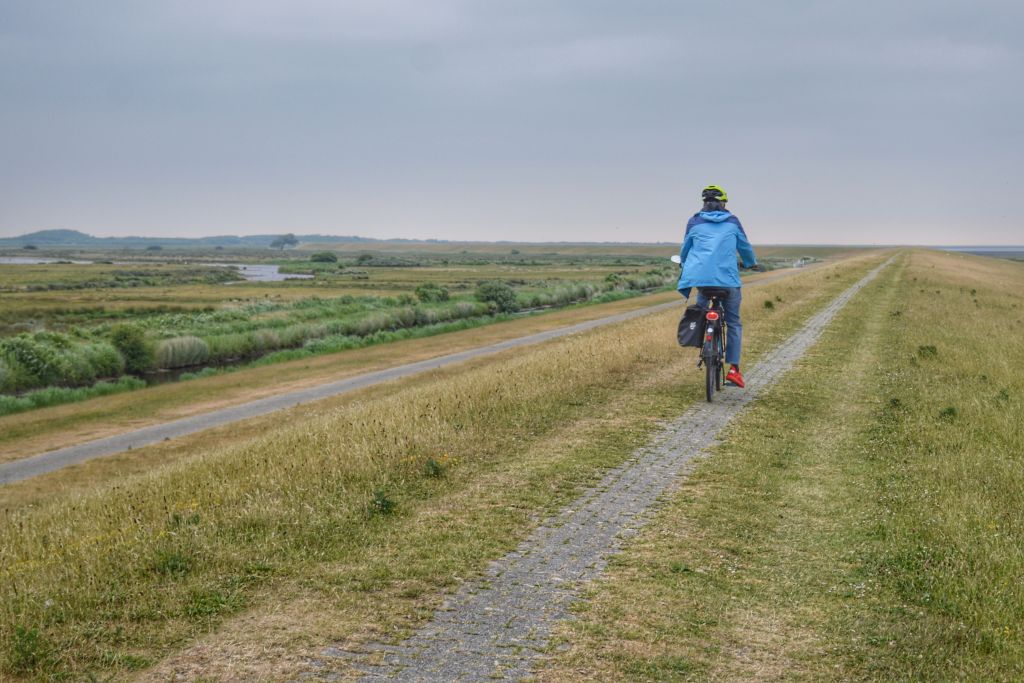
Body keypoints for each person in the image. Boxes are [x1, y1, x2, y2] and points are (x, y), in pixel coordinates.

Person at [677, 184, 760, 388]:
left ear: (704, 203)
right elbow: (744, 246)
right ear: (723, 203)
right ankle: (734, 369)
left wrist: (683, 263)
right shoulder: (732, 221)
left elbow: (685, 248)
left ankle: (706, 345)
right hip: (728, 281)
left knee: (702, 312)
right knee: (733, 323)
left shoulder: (694, 221)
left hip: (702, 281)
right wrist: (751, 263)